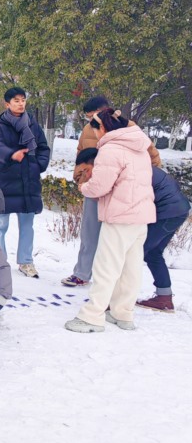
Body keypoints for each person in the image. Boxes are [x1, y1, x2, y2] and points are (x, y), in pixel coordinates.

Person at [65, 108, 155, 333]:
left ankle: (92, 316)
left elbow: (100, 186)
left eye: (95, 130)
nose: (96, 136)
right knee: (130, 268)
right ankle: (122, 313)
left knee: (106, 267)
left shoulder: (111, 149)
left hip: (120, 216)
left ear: (103, 128)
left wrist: (84, 187)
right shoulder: (139, 147)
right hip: (140, 216)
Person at [62, 96, 161, 287]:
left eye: (93, 116)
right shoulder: (88, 130)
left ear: (105, 111)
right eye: (88, 117)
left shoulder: (129, 128)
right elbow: (80, 155)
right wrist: (81, 179)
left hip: (121, 194)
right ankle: (82, 273)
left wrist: (139, 183)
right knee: (89, 233)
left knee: (116, 240)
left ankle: (112, 282)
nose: (91, 121)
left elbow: (152, 157)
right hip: (95, 188)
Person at [0, 87, 50, 278]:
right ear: (7, 104)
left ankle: (26, 262)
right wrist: (11, 155)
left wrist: (38, 165)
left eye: (23, 100)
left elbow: (43, 148)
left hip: (28, 182)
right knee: (0, 225)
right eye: (16, 100)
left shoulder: (33, 125)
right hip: (5, 182)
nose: (21, 104)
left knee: (27, 225)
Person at [137, 166, 190, 313]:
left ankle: (118, 298)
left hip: (168, 212)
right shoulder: (144, 165)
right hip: (177, 210)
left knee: (136, 252)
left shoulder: (136, 169)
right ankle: (164, 298)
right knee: (153, 254)